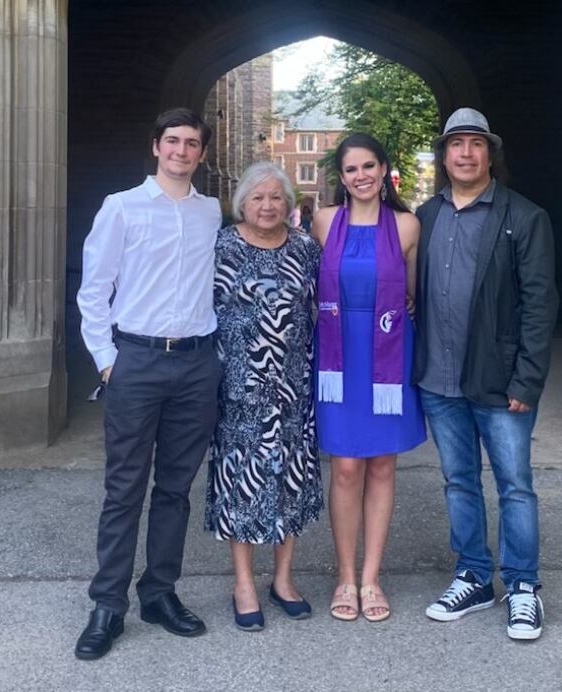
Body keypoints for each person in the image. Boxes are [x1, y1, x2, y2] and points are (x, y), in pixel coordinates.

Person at [74, 108, 221, 660]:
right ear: (156, 146)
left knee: (176, 490)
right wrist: (107, 361)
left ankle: (159, 593)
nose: (182, 151)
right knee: (123, 490)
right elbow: (94, 290)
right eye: (173, 141)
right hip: (135, 362)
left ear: (202, 154)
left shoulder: (210, 212)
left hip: (196, 365)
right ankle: (108, 604)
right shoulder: (122, 207)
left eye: (191, 144)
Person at [413, 107, 558, 640]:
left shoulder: (524, 216)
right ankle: (473, 575)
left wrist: (528, 379)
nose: (466, 153)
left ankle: (523, 586)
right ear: (444, 154)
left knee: (515, 486)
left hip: (500, 382)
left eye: (476, 144)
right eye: (457, 144)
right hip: (439, 380)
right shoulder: (425, 217)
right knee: (459, 482)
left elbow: (540, 304)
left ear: (489, 153)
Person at [313, 133, 427, 622]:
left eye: (368, 167)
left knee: (381, 466)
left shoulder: (406, 226)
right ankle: (344, 575)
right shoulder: (322, 222)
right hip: (338, 357)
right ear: (341, 178)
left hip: (385, 355)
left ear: (384, 170)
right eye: (350, 169)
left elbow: (413, 296)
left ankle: (371, 578)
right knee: (344, 468)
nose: (360, 176)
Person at [205, 161, 323, 631]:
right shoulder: (222, 246)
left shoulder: (307, 250)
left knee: (289, 481)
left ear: (288, 203)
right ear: (242, 204)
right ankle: (244, 583)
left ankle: (284, 579)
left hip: (293, 389)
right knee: (242, 483)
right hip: (238, 388)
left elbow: (323, 308)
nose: (268, 205)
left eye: (276, 197)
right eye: (258, 197)